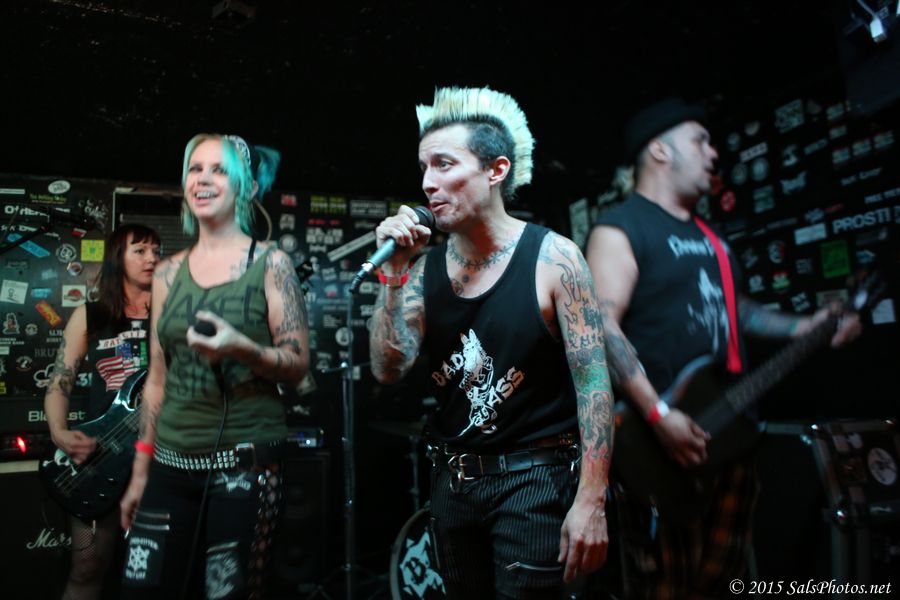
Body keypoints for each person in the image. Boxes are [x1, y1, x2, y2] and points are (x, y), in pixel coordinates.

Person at [585, 97, 861, 599]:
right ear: (660, 151)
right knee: (665, 586)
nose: (713, 152)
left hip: (730, 433)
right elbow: (603, 328)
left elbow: (741, 311)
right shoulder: (620, 228)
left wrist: (808, 326)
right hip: (659, 443)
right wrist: (658, 414)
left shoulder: (713, 238)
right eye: (700, 141)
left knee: (720, 581)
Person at [369, 86, 613, 599]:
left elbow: (594, 384)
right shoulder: (422, 272)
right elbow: (388, 368)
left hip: (535, 480)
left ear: (496, 170)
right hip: (454, 483)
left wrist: (592, 499)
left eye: (443, 164)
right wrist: (392, 276)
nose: (427, 183)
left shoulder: (555, 259)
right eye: (423, 168)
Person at [118, 133, 309, 600]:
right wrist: (140, 474)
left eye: (219, 170)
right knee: (144, 591)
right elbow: (157, 379)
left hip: (243, 466)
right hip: (168, 465)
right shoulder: (166, 273)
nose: (203, 179)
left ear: (245, 187)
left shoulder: (271, 263)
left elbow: (297, 364)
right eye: (195, 168)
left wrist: (240, 347)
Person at [44, 223, 161, 600]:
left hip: (160, 459)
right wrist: (59, 432)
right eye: (140, 250)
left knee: (154, 572)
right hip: (103, 456)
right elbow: (59, 383)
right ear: (116, 259)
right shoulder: (91, 315)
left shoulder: (172, 313)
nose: (152, 258)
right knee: (87, 567)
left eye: (156, 250)